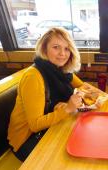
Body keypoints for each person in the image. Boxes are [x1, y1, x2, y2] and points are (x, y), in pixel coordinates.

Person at [8, 27, 85, 161]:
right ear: (44, 49)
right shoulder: (33, 77)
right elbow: (35, 124)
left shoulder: (62, 70)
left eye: (67, 48)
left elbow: (82, 87)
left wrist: (81, 96)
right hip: (27, 140)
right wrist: (67, 108)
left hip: (50, 129)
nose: (63, 53)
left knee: (82, 141)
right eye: (56, 47)